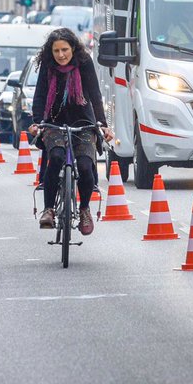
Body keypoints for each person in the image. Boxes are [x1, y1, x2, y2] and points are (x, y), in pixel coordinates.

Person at [32, 27, 113, 236]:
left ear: (73, 48)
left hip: (83, 121)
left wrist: (102, 125)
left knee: (85, 166)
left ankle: (84, 209)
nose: (61, 55)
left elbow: (95, 95)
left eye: (65, 50)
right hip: (53, 122)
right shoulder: (47, 66)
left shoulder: (84, 63)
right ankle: (49, 209)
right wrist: (37, 122)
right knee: (56, 157)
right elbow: (40, 95)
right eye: (56, 51)